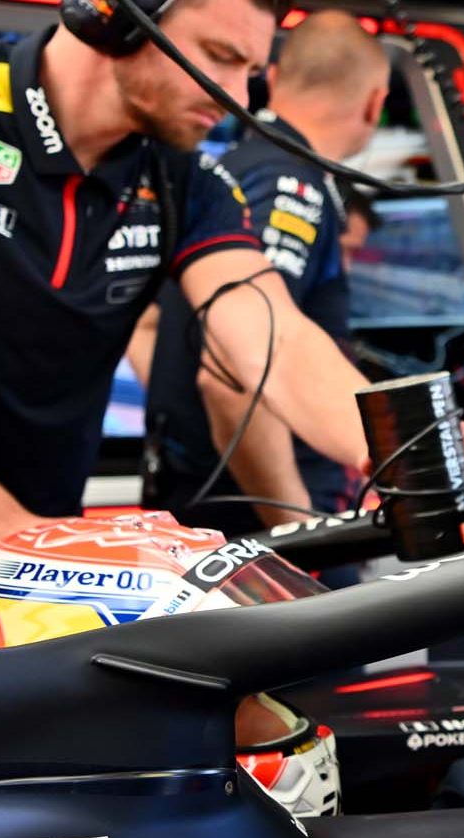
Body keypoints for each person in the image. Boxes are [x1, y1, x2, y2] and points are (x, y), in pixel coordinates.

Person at [0, 0, 464, 564]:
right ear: (113, 12)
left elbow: (273, 337)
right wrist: (17, 538)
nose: (237, 99)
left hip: (23, 566)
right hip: (9, 545)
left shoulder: (184, 181)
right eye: (220, 55)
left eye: (253, 70)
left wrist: (397, 443)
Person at [132, 10, 387, 537]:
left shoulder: (225, 174)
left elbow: (148, 324)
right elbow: (236, 375)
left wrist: (187, 432)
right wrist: (298, 533)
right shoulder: (289, 183)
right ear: (374, 102)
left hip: (207, 513)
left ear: (269, 78)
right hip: (261, 531)